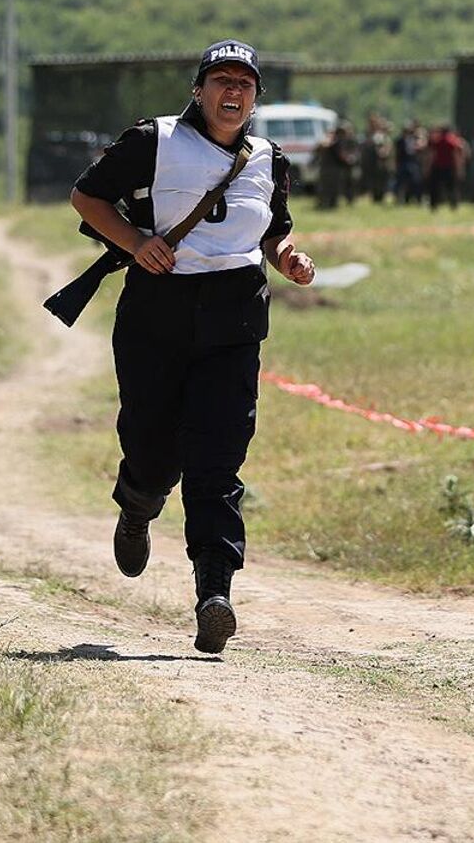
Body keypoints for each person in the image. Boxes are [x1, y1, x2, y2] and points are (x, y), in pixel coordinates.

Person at [68, 40, 316, 655]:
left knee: (217, 458)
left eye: (245, 84)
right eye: (221, 81)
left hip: (234, 318)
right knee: (153, 446)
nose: (233, 93)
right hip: (159, 307)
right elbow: (87, 196)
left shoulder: (268, 158)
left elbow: (273, 229)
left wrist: (288, 258)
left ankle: (215, 594)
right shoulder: (153, 141)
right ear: (199, 90)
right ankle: (138, 500)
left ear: (256, 97)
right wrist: (134, 241)